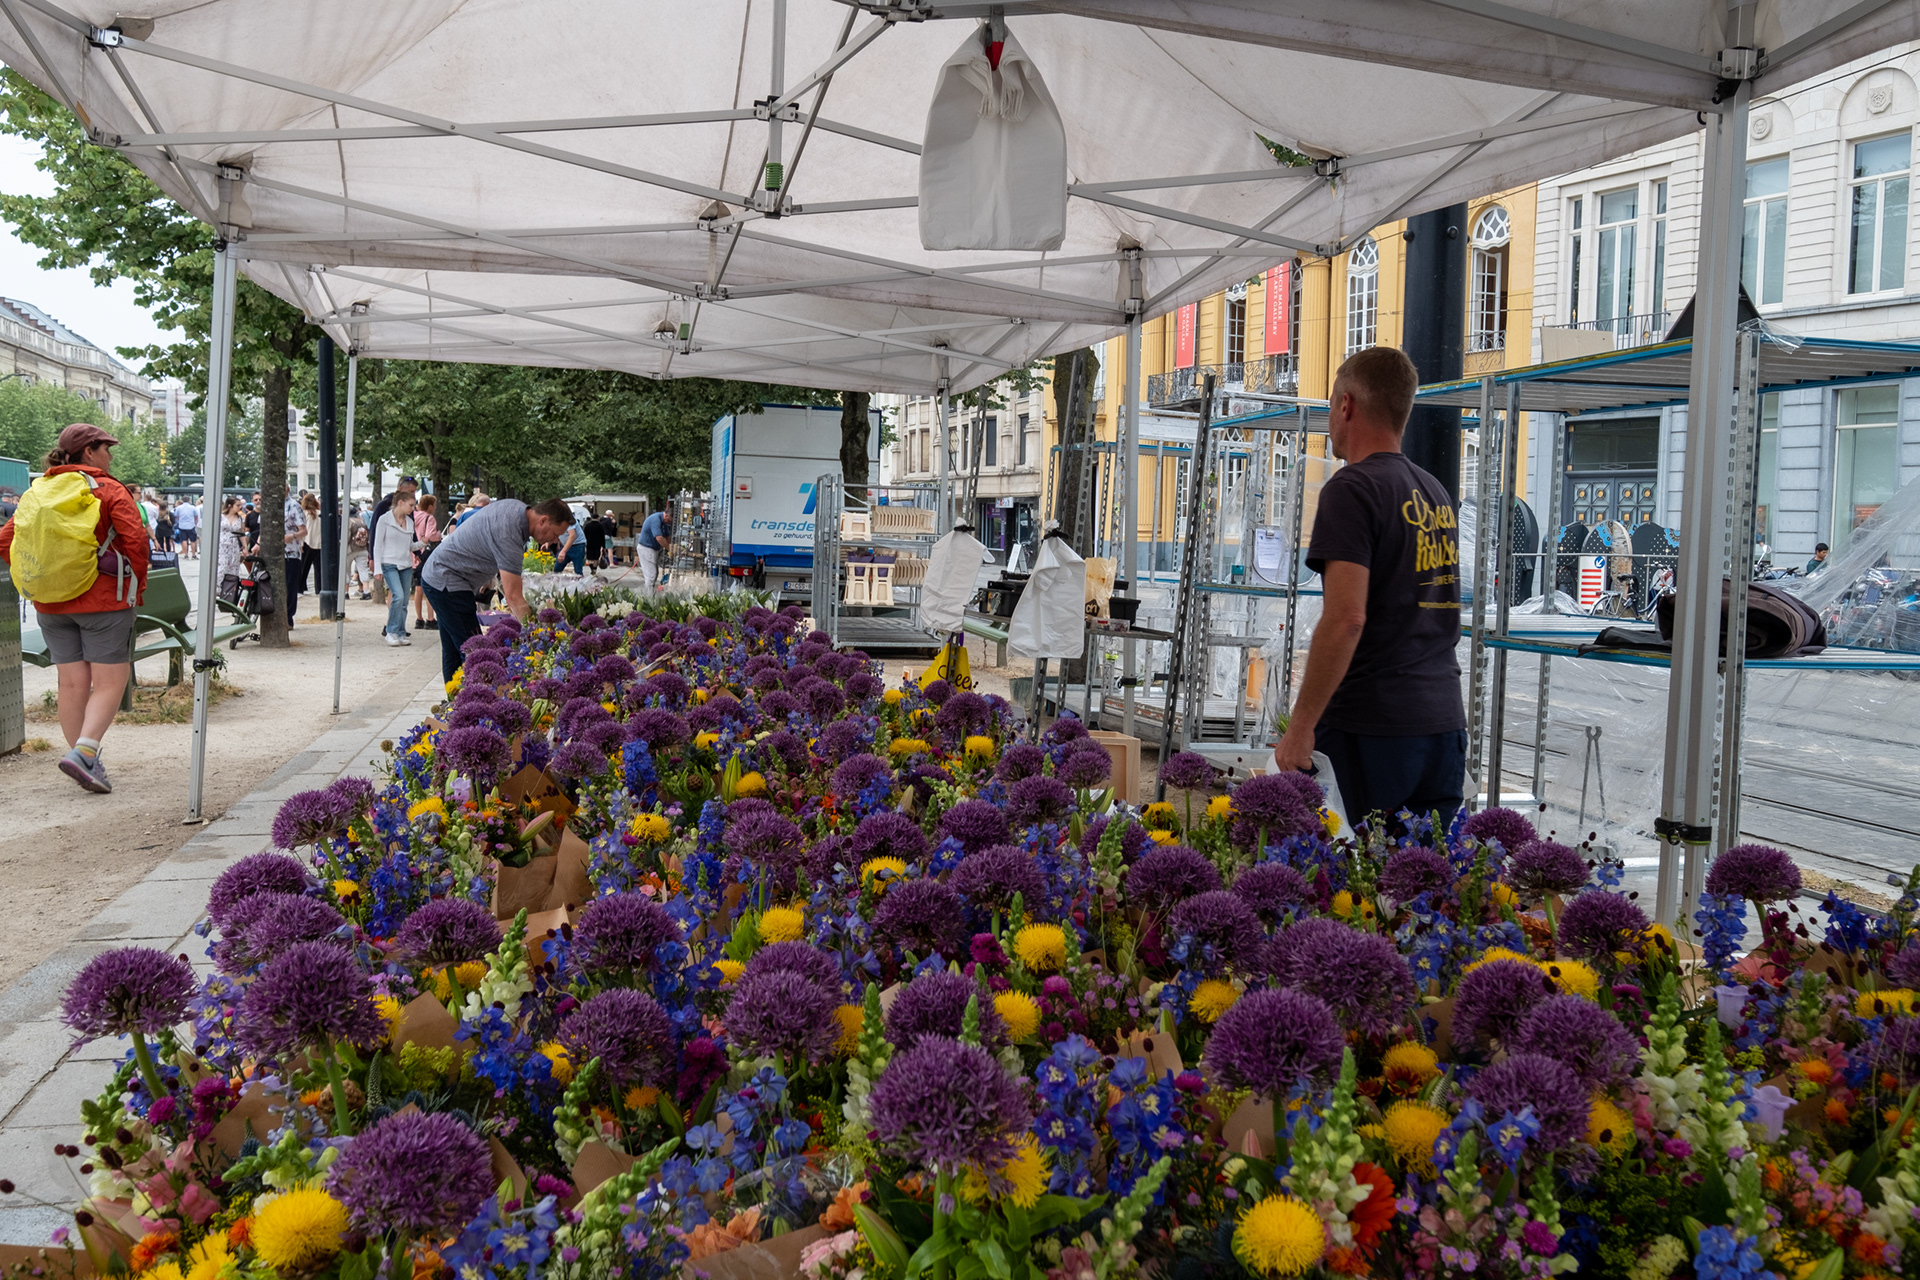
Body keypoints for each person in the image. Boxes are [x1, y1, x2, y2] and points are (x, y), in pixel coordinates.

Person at [1271, 347, 1465, 832]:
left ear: (1346, 405)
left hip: (1372, 728)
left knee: (1353, 886)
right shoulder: (1433, 491)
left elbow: (1346, 618)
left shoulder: (1351, 489)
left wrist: (1299, 728)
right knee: (1423, 887)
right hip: (1441, 723)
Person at [0, 423, 151, 793]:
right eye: (106, 448)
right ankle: (85, 752)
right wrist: (135, 585)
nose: (111, 456)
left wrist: (42, 577)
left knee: (70, 683)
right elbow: (136, 540)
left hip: (51, 603)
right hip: (103, 600)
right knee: (111, 681)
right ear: (88, 452)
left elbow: (6, 541)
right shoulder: (108, 489)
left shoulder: (39, 491)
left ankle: (85, 760)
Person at [421, 497, 574, 683]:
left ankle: (455, 704)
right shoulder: (510, 533)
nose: (555, 540)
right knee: (477, 655)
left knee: (455, 650)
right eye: (555, 533)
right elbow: (514, 598)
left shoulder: (516, 508)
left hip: (440, 576)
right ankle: (473, 704)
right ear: (543, 520)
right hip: (447, 582)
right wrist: (538, 634)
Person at [374, 490, 422, 647]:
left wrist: (423, 543)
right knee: (398, 596)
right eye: (411, 505)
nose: (413, 509)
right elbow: (378, 545)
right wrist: (377, 569)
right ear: (400, 502)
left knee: (403, 601)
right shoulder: (384, 519)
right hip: (389, 563)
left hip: (405, 564)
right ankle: (391, 631)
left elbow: (409, 545)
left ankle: (400, 632)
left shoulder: (409, 522)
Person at [413, 493, 443, 630]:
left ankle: (419, 618)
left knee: (418, 588)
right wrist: (439, 534)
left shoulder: (413, 516)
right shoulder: (429, 518)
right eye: (434, 505)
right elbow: (431, 535)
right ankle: (430, 619)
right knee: (428, 585)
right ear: (430, 506)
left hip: (413, 554)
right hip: (425, 552)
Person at [281, 490, 307, 626]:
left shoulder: (294, 506)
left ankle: (288, 618)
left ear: (287, 490)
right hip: (272, 552)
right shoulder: (270, 504)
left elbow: (304, 530)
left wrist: (293, 536)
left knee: (290, 586)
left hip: (290, 552)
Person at [215, 496, 247, 603]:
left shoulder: (240, 518)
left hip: (234, 546)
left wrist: (245, 547)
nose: (240, 507)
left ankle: (230, 591)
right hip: (222, 545)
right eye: (237, 505)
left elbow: (241, 533)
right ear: (230, 505)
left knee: (233, 568)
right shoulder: (220, 517)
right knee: (221, 566)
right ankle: (217, 589)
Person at [637, 505, 672, 589]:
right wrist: (670, 549)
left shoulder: (664, 522)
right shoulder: (655, 519)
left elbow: (667, 536)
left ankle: (650, 595)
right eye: (669, 520)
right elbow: (659, 538)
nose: (669, 522)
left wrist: (671, 545)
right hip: (647, 548)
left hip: (653, 549)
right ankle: (648, 598)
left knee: (654, 574)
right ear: (666, 515)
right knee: (651, 575)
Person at [347, 503, 373, 597]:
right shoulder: (362, 521)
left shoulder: (349, 521)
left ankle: (345, 593)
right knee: (363, 570)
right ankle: (366, 591)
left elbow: (347, 537)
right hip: (362, 548)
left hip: (350, 549)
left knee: (346, 571)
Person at [298, 493, 323, 593]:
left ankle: (300, 588)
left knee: (303, 567)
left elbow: (302, 530)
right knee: (319, 569)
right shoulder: (320, 513)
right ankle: (319, 589)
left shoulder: (304, 513)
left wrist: (300, 544)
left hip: (306, 542)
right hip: (319, 543)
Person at [556, 508, 585, 575]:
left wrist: (563, 551)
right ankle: (556, 583)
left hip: (577, 545)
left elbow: (572, 535)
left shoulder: (569, 520)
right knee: (557, 568)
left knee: (578, 571)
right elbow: (556, 532)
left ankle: (579, 584)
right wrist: (548, 542)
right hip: (566, 545)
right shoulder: (556, 521)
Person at [583, 507, 607, 571]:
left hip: (589, 543)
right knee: (596, 556)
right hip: (597, 544)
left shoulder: (587, 525)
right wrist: (603, 546)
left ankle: (591, 567)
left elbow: (584, 534)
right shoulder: (600, 526)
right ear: (597, 518)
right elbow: (602, 536)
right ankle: (595, 568)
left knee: (590, 556)